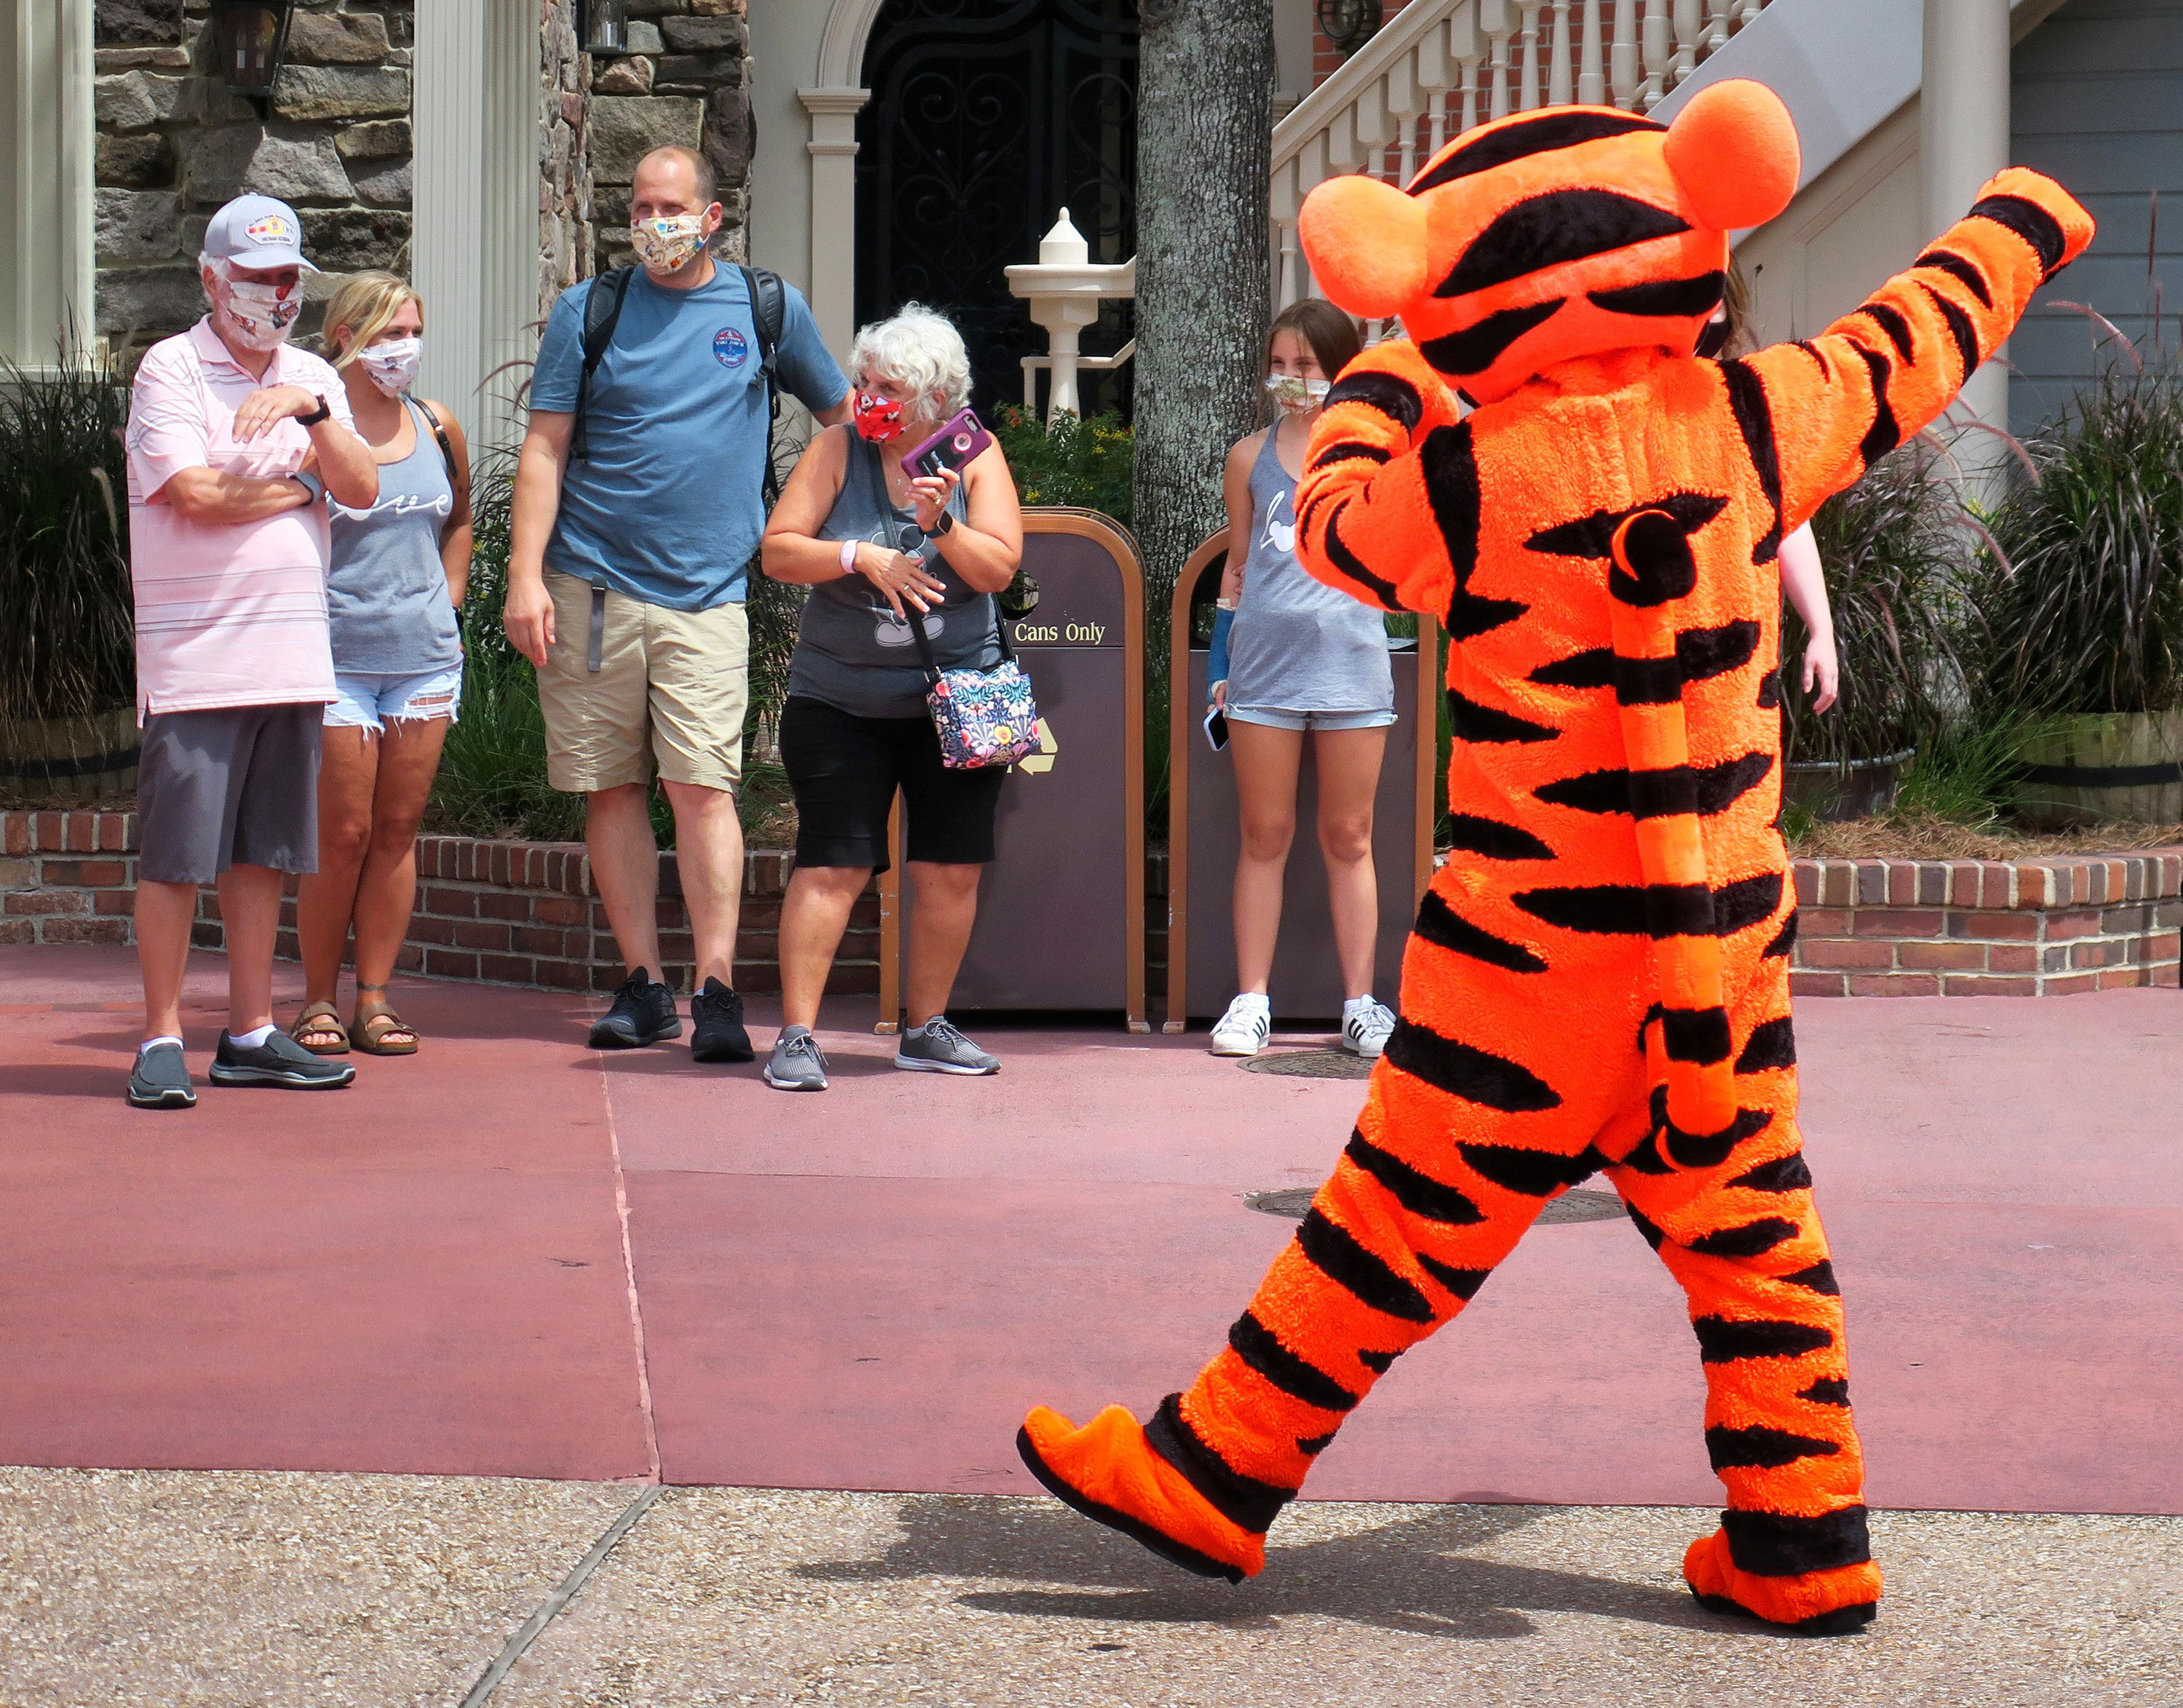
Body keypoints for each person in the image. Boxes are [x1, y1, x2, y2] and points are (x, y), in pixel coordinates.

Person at [1018, 82, 2093, 1636]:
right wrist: (2024, 219)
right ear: (1691, 233)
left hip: (1529, 962)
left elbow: (1326, 524)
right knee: (1754, 1237)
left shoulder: (1461, 482)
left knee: (1389, 1226)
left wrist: (1385, 375)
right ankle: (1803, 1542)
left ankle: (1213, 1471)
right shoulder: (1752, 414)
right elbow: (1915, 335)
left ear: (1447, 290)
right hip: (1715, 958)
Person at [504, 145, 851, 1063]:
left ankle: (718, 987)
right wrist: (524, 577)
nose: (652, 222)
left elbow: (844, 423)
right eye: (639, 206)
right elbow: (543, 449)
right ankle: (644, 986)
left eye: (671, 206)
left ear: (711, 216)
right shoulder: (592, 309)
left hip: (708, 595)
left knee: (704, 788)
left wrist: (805, 530)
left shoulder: (764, 308)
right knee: (612, 788)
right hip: (590, 587)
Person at [121, 194, 381, 1109]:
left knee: (263, 856)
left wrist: (310, 418)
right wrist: (296, 492)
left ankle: (250, 1033)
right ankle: (160, 1038)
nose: (276, 295)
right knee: (177, 858)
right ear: (211, 279)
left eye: (288, 279)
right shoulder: (171, 369)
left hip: (293, 657)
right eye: (259, 277)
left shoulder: (313, 374)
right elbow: (192, 492)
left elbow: (362, 483)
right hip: (197, 663)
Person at [757, 305, 1025, 1092]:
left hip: (956, 697)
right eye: (864, 379)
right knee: (834, 863)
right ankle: (798, 1036)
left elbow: (999, 569)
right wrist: (859, 556)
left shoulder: (975, 457)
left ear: (936, 401)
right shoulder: (838, 447)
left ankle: (927, 1028)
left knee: (949, 869)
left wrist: (940, 526)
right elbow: (777, 551)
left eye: (889, 387)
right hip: (839, 699)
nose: (868, 396)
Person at [1205, 299, 1399, 1062]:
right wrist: (1219, 663)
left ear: (1340, 370)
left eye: (1307, 367)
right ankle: (1251, 999)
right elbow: (1238, 564)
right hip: (1263, 667)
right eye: (1280, 365)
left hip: (1354, 663)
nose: (1291, 380)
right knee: (1265, 834)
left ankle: (1362, 1004)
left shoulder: (1375, 452)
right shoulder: (1247, 456)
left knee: (1350, 836)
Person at [287, 274, 473, 1057]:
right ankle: (316, 1003)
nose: (404, 348)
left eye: (412, 330)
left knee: (398, 828)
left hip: (424, 659)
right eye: (389, 332)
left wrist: (451, 603)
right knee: (344, 830)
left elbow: (459, 518)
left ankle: (375, 997)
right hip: (335, 660)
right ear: (346, 339)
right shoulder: (311, 433)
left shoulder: (436, 424)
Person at [1701, 266, 1840, 714]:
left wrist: (1821, 626)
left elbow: (1787, 516)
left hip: (1734, 647)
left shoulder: (1741, 405)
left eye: (1712, 302)